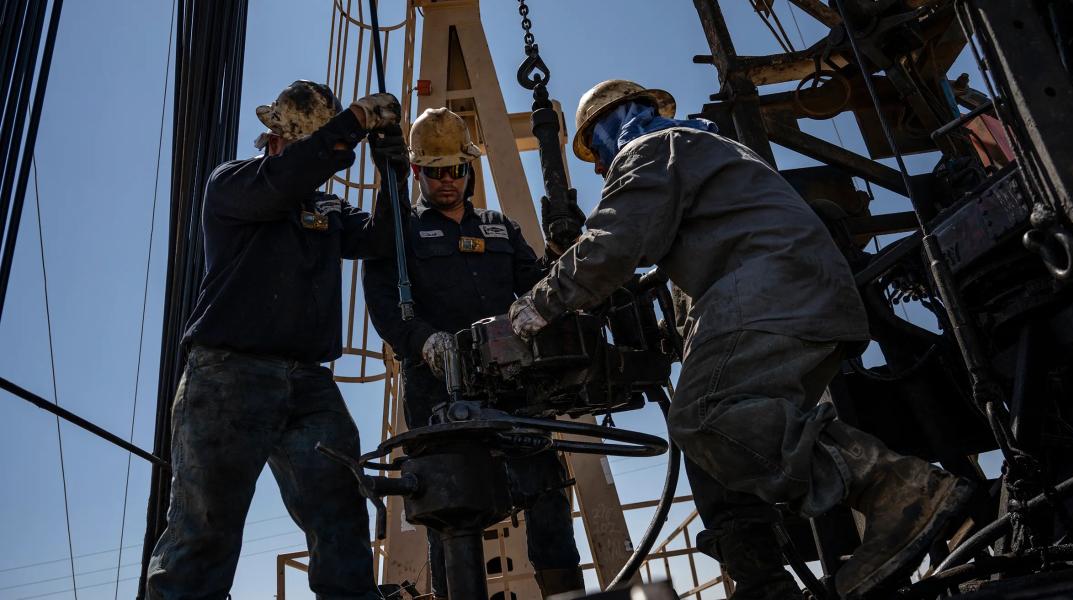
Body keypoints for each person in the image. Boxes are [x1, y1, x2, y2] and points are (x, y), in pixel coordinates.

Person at [508, 79, 975, 599]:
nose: (598, 166)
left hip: (771, 293)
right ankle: (774, 576)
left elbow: (614, 243)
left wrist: (534, 309)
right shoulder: (706, 149)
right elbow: (692, 254)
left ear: (610, 128)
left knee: (705, 413)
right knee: (729, 438)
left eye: (595, 150)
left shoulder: (650, 148)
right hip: (798, 295)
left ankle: (897, 489)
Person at [146, 80, 407, 600]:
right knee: (206, 527)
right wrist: (353, 122)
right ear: (278, 138)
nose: (331, 161)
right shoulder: (235, 185)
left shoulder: (326, 209)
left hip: (309, 383)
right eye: (319, 145)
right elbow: (284, 182)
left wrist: (392, 171)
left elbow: (381, 238)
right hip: (227, 375)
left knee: (340, 510)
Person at [363, 107, 585, 599]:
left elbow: (536, 291)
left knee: (547, 493)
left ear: (470, 169)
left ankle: (566, 595)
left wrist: (558, 254)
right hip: (438, 393)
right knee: (452, 512)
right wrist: (423, 341)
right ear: (417, 172)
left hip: (513, 391)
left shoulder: (500, 228)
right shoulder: (399, 237)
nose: (447, 181)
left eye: (456, 170)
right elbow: (383, 305)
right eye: (435, 172)